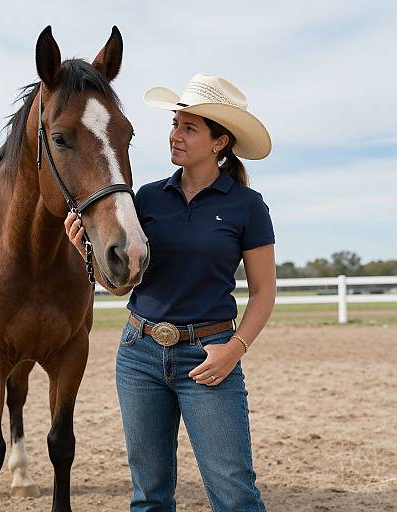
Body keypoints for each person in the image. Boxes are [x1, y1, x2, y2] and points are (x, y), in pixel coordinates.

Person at [65, 73, 276, 512]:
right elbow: (120, 285)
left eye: (189, 128)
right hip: (138, 354)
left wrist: (233, 349)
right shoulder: (145, 198)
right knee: (149, 496)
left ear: (220, 142)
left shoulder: (246, 206)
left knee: (235, 494)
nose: (174, 135)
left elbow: (263, 292)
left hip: (209, 358)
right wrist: (83, 250)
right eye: (175, 124)